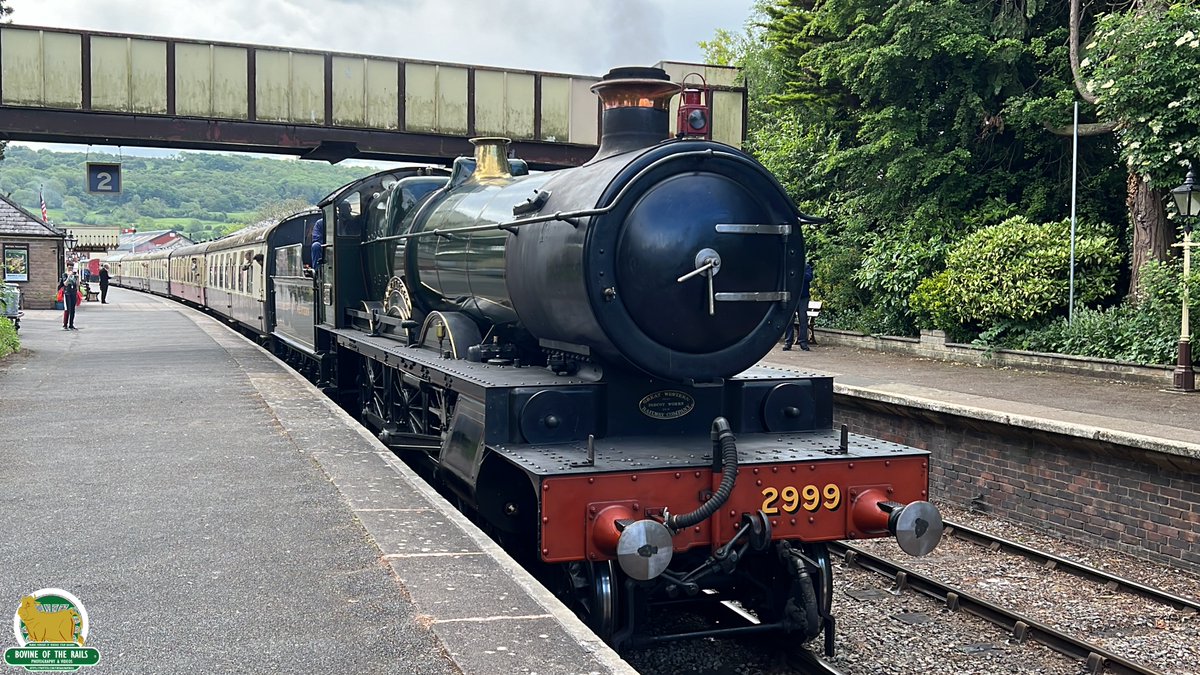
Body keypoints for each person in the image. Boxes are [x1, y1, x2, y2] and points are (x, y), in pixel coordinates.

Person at [783, 262, 814, 351]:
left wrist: (799, 274)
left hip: (803, 297)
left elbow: (809, 277)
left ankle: (803, 342)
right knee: (789, 320)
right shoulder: (789, 267)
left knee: (803, 319)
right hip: (792, 297)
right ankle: (788, 342)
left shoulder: (806, 267)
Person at [58, 266, 80, 330]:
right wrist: (69, 276)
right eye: (69, 268)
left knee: (73, 309)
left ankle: (71, 324)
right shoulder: (64, 275)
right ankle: (65, 324)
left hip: (73, 293)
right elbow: (65, 284)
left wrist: (77, 277)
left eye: (72, 268)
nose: (70, 269)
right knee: (67, 309)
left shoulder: (74, 275)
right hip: (67, 293)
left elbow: (77, 284)